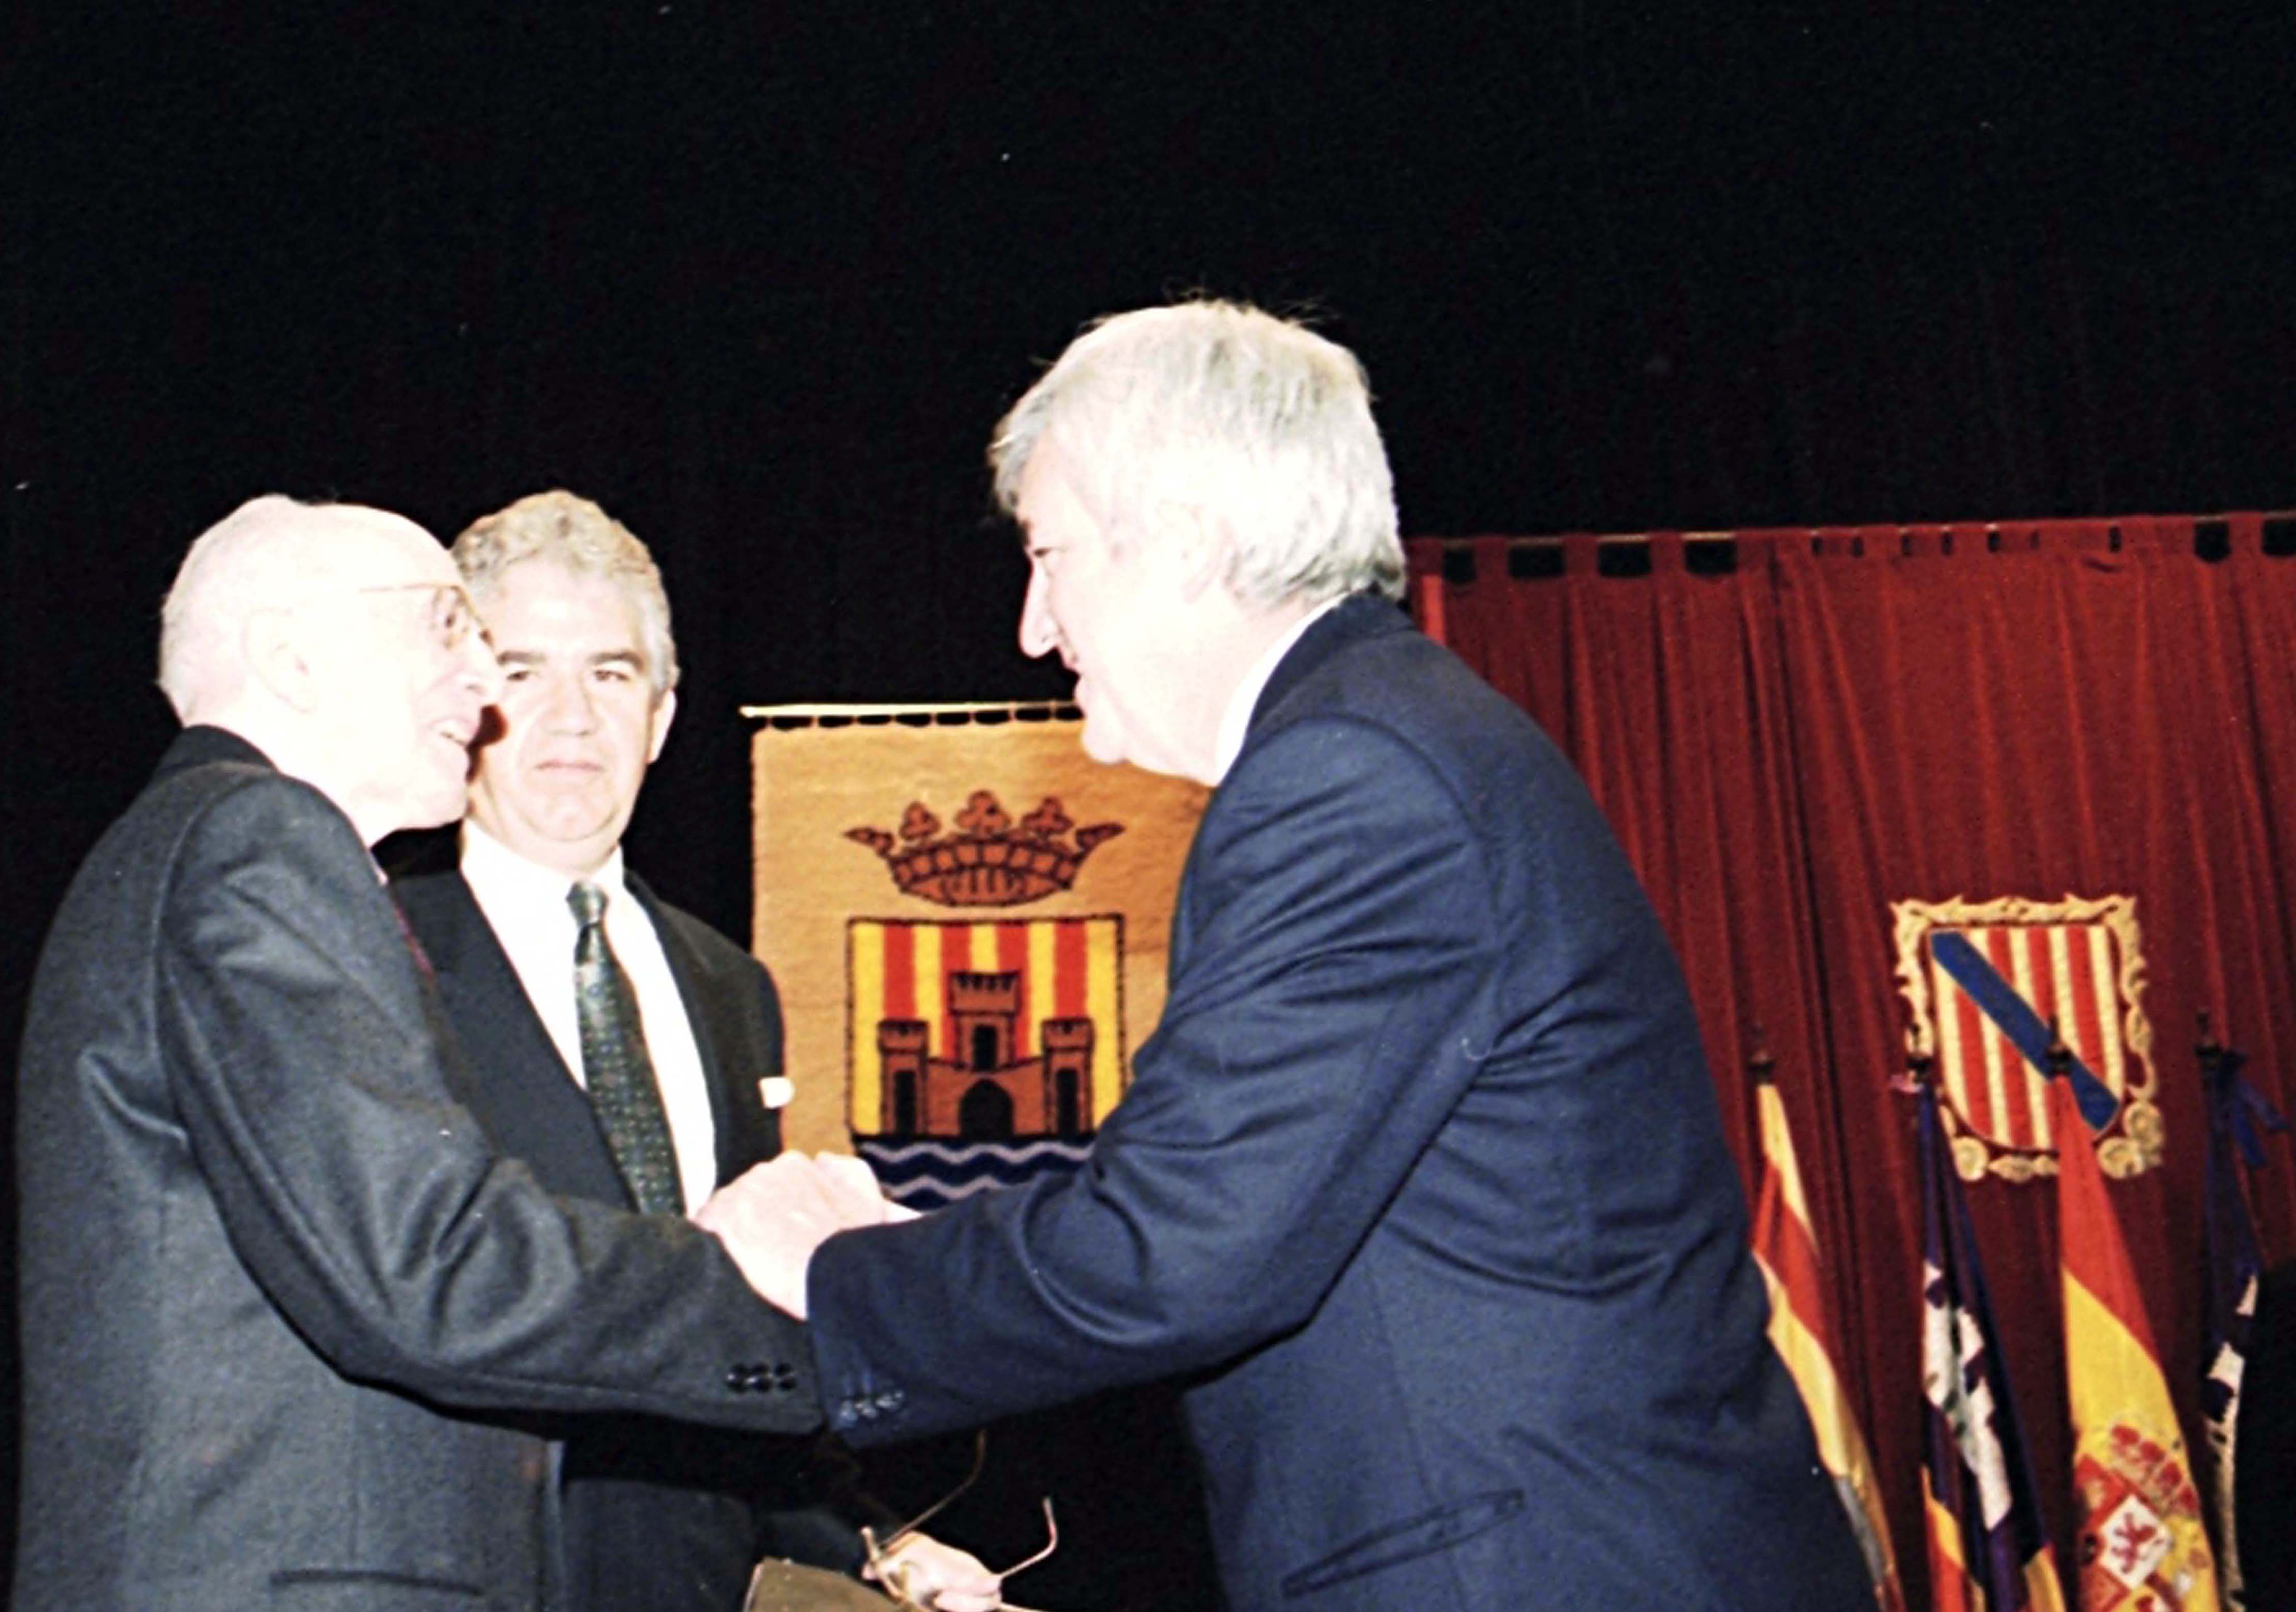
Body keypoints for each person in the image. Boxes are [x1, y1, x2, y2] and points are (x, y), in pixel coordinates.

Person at [699, 302, 1875, 1611]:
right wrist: (913, 1246)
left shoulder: (1351, 772)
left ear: (1186, 541)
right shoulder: (1390, 733)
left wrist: (827, 1269)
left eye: (1051, 556)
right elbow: (1235, 1205)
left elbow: (1176, 1251)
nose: (1034, 626)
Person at [13, 495, 836, 1612]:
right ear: (293, 658)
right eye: (448, 629)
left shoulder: (191, 843)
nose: (485, 686)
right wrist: (769, 1278)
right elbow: (430, 1266)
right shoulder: (263, 841)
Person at [394, 490, 998, 1612]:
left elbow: (743, 1336)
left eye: (610, 674)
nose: (573, 718)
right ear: (464, 700)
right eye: (523, 672)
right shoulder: (378, 957)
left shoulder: (730, 985)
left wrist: (875, 1543)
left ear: (662, 718)